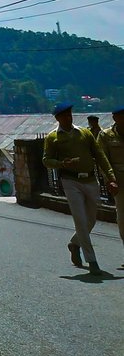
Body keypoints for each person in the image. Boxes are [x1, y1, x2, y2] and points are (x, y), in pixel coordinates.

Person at [43, 102, 117, 274]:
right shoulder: (53, 137)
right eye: (64, 115)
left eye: (70, 114)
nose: (68, 117)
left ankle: (75, 243)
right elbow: (46, 160)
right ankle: (92, 261)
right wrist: (61, 164)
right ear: (58, 118)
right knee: (80, 220)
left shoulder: (84, 133)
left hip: (90, 179)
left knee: (91, 219)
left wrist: (111, 177)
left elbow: (99, 155)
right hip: (70, 181)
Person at [97, 106, 124, 268]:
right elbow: (102, 160)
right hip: (119, 182)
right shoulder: (106, 136)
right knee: (122, 219)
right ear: (115, 118)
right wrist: (110, 180)